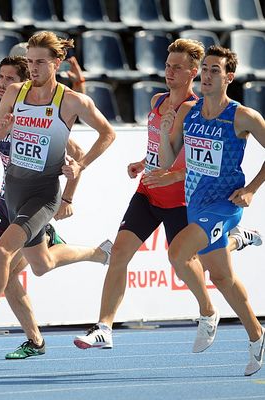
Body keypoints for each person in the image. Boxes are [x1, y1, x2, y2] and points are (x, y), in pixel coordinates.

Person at [74, 39, 263, 355]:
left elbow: (195, 162)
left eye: (178, 67)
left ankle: (212, 298)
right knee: (120, 252)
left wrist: (249, 188)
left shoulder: (196, 110)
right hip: (149, 193)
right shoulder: (158, 101)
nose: (170, 71)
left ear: (193, 73)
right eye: (167, 65)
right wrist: (143, 162)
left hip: (183, 201)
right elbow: (163, 153)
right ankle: (104, 327)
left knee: (198, 262)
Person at [0, 31, 116, 356]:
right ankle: (97, 252)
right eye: (31, 62)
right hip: (11, 195)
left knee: (1, 256)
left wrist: (72, 187)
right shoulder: (13, 94)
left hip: (42, 195)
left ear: (56, 63)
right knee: (41, 264)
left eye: (39, 62)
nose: (33, 68)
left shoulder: (71, 101)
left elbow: (107, 134)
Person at [158, 45, 265, 376]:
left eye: (214, 70)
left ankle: (207, 312)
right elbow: (167, 160)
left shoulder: (242, 116)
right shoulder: (190, 113)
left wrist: (251, 189)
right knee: (221, 276)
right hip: (197, 204)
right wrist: (165, 132)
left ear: (228, 77)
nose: (206, 75)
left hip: (225, 204)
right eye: (204, 69)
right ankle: (257, 337)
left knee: (177, 254)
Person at [10, 41, 86, 94]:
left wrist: (78, 82)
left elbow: (76, 111)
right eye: (30, 61)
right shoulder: (11, 92)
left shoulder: (50, 90)